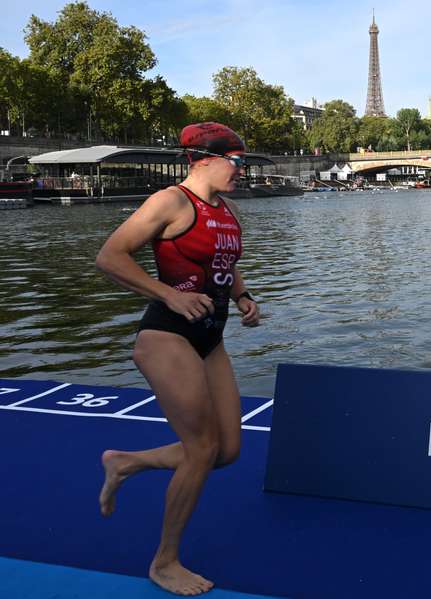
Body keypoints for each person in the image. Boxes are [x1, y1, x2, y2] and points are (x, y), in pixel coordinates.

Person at [95, 122, 260, 596]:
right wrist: (170, 295)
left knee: (226, 452)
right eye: (237, 161)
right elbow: (110, 256)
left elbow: (222, 266)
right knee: (202, 448)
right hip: (167, 335)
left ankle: (125, 463)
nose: (241, 171)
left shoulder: (225, 210)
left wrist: (245, 296)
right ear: (206, 158)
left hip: (210, 337)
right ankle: (164, 561)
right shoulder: (170, 202)